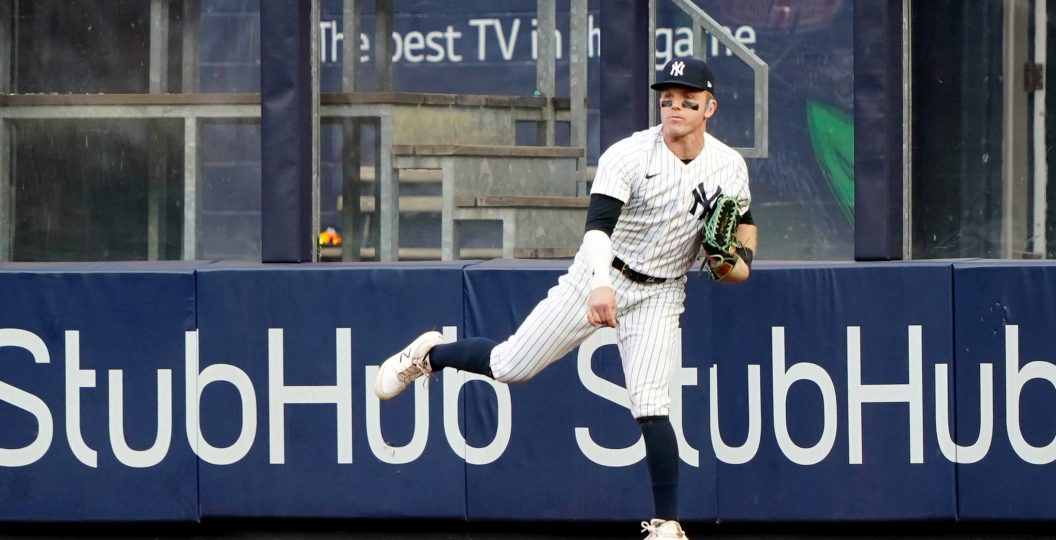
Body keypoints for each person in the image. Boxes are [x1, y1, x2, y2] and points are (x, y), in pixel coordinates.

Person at [374, 57, 756, 540]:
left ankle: (668, 523)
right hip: (599, 273)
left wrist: (733, 263)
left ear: (710, 107)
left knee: (652, 405)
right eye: (667, 99)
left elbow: (744, 236)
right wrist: (599, 283)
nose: (675, 107)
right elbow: (597, 231)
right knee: (513, 365)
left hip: (662, 291)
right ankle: (429, 355)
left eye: (688, 101)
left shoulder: (729, 165)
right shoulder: (629, 155)